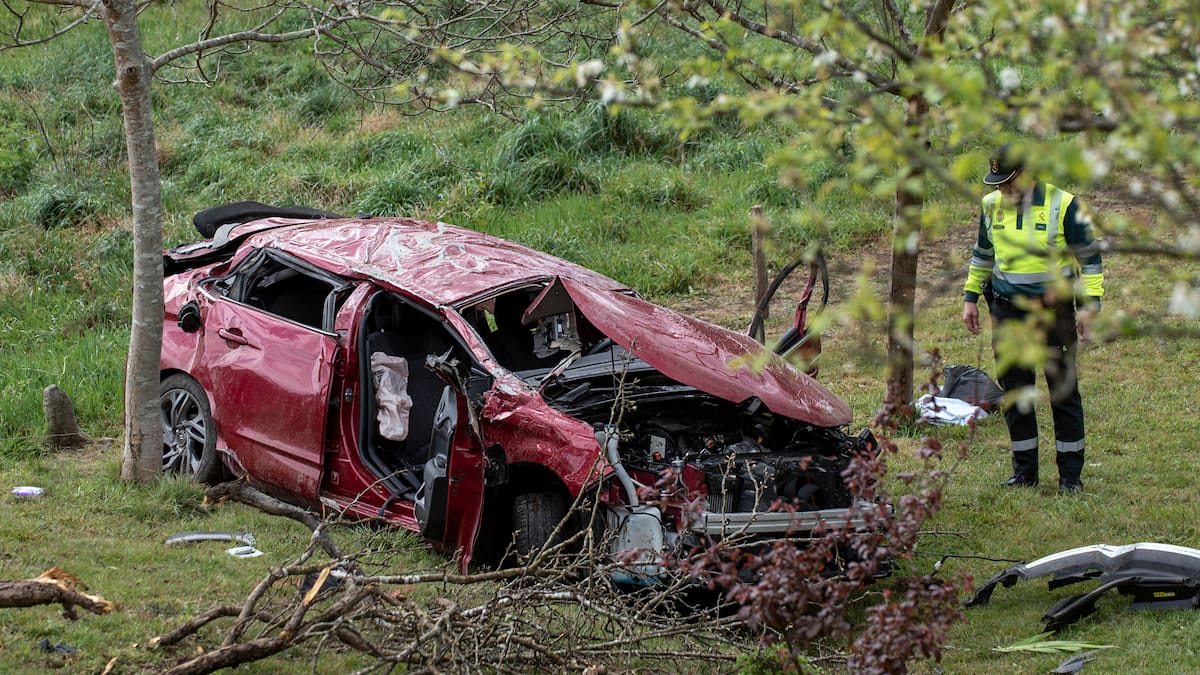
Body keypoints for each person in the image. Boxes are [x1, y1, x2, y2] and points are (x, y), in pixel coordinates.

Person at [961, 143, 1104, 493]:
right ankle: (1025, 473)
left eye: (1008, 182)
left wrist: (1090, 305)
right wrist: (970, 297)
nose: (1002, 190)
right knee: (1016, 393)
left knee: (1063, 394)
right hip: (1007, 313)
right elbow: (983, 255)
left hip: (1053, 314)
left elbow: (1090, 260)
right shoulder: (991, 205)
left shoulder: (1064, 204)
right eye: (997, 183)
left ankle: (1070, 477)